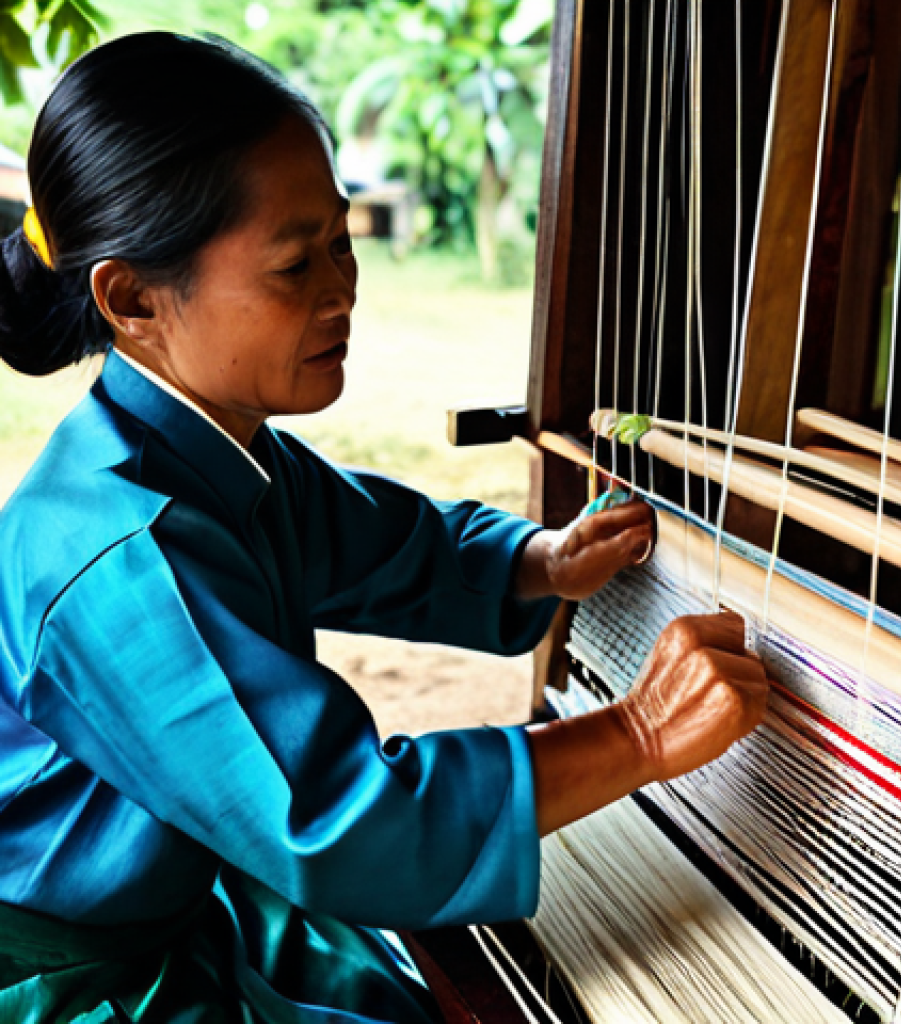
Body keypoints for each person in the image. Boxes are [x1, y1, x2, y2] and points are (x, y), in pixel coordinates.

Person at [0, 32, 769, 1023]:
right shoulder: (122, 555)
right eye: (293, 264)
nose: (341, 289)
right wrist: (638, 732)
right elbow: (334, 820)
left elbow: (378, 541)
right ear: (134, 298)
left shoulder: (205, 451)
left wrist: (537, 562)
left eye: (341, 240)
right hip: (78, 982)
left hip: (181, 902)